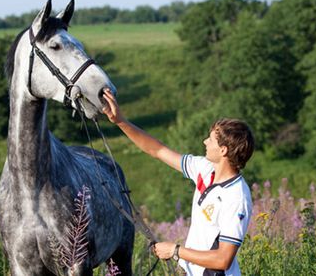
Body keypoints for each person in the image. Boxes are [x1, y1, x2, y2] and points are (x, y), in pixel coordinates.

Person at [102, 89, 255, 276]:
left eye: (211, 139)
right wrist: (121, 122)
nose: (205, 141)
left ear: (223, 150)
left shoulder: (236, 197)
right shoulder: (205, 168)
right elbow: (157, 150)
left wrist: (175, 251)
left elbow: (223, 259)